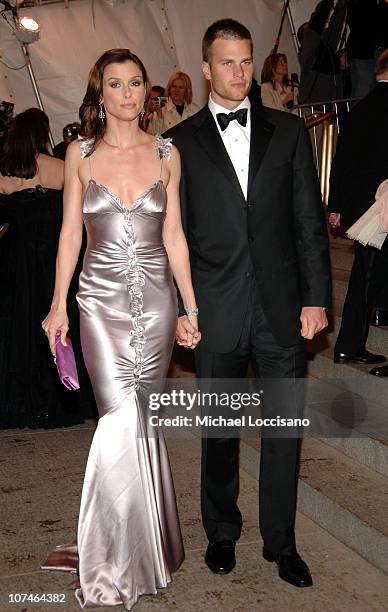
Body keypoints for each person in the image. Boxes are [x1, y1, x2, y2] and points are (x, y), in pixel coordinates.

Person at [166, 19, 330, 588]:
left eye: (246, 61)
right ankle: (221, 533)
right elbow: (174, 236)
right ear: (206, 68)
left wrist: (315, 297)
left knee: (284, 427)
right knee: (219, 428)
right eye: (227, 63)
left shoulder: (289, 131)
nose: (239, 73)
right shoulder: (181, 144)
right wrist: (183, 309)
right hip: (215, 307)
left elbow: (309, 222)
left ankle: (281, 544)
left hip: (283, 306)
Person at [42, 48, 200, 609]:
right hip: (99, 303)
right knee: (117, 421)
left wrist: (190, 307)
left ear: (145, 92)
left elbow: (175, 235)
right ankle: (109, 562)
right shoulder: (79, 155)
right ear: (100, 93)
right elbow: (68, 237)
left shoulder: (167, 153)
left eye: (136, 83)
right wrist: (58, 305)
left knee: (142, 419)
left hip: (156, 302)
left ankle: (147, 546)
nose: (128, 93)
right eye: (116, 84)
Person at [0, 108, 93, 428]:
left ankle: (19, 403)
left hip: (14, 265)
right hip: (52, 262)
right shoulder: (59, 168)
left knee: (18, 331)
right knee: (61, 326)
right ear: (42, 135)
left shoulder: (3, 174)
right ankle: (64, 398)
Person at [328, 50, 388, 374]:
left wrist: (336, 206)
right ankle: (351, 344)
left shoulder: (360, 108)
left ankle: (350, 343)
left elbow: (342, 161)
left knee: (367, 273)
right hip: (385, 206)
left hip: (365, 213)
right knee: (369, 275)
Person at [298, 0, 348, 104]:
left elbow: (335, 28)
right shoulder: (308, 55)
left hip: (329, 108)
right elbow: (316, 25)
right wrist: (327, 3)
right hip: (312, 108)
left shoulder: (326, 49)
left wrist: (342, 5)